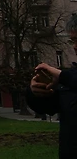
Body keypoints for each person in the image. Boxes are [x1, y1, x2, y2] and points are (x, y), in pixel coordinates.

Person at [28, 13, 77, 158]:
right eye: (73, 41)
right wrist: (36, 91)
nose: (75, 47)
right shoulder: (69, 79)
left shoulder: (68, 78)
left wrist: (62, 76)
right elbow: (47, 107)